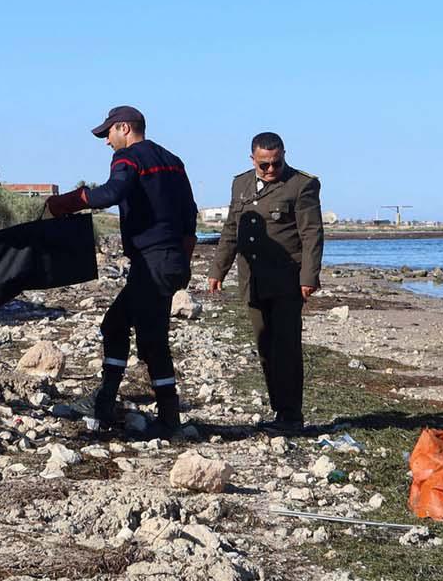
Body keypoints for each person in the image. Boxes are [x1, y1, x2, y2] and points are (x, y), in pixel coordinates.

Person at [44, 106, 198, 439]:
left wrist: (68, 202)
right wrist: (184, 258)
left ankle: (164, 418)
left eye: (108, 134)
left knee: (150, 339)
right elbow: (190, 214)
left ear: (124, 128)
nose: (106, 142)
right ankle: (109, 403)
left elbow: (111, 193)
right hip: (169, 260)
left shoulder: (129, 158)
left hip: (152, 261)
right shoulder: (173, 160)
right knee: (119, 326)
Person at [207, 132, 324, 434]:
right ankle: (279, 411)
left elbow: (312, 234)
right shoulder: (241, 183)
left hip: (287, 280)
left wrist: (309, 277)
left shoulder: (302, 185)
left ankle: (291, 415)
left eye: (276, 163)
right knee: (264, 346)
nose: (271, 170)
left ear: (284, 155)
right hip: (253, 279)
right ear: (253, 160)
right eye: (264, 165)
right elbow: (232, 228)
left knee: (286, 347)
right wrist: (218, 270)